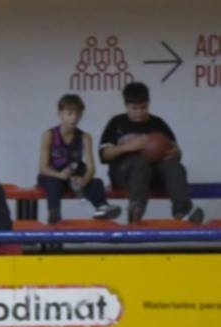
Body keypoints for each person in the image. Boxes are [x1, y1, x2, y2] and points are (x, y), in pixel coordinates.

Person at [98, 81, 204, 225]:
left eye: (143, 107)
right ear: (126, 106)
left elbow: (176, 152)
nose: (139, 112)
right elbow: (104, 155)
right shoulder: (116, 123)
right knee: (140, 163)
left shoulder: (158, 123)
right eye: (134, 108)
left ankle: (183, 211)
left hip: (153, 176)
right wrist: (127, 147)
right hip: (124, 175)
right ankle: (135, 209)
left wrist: (176, 152)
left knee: (175, 167)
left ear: (148, 104)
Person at [37, 94, 121, 223]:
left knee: (96, 182)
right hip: (53, 175)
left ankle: (102, 207)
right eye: (69, 114)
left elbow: (91, 168)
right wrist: (60, 175)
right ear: (60, 114)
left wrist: (84, 180)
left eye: (77, 114)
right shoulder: (49, 135)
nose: (74, 118)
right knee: (53, 183)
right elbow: (43, 168)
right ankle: (54, 213)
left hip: (73, 176)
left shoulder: (85, 137)